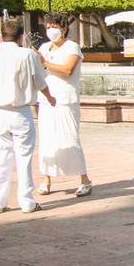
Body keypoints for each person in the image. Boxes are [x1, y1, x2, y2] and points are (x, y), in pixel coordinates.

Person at [0, 20, 56, 214]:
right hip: (20, 111)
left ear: (0, 35)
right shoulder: (27, 55)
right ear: (21, 36)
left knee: (1, 157)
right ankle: (27, 202)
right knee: (24, 158)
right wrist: (50, 97)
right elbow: (40, 81)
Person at [36, 13, 93, 197]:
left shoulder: (72, 47)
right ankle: (46, 179)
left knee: (70, 138)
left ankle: (84, 179)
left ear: (63, 28)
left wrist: (45, 63)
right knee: (46, 140)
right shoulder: (44, 47)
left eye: (54, 26)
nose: (50, 30)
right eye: (48, 26)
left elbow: (68, 70)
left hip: (65, 99)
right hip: (46, 100)